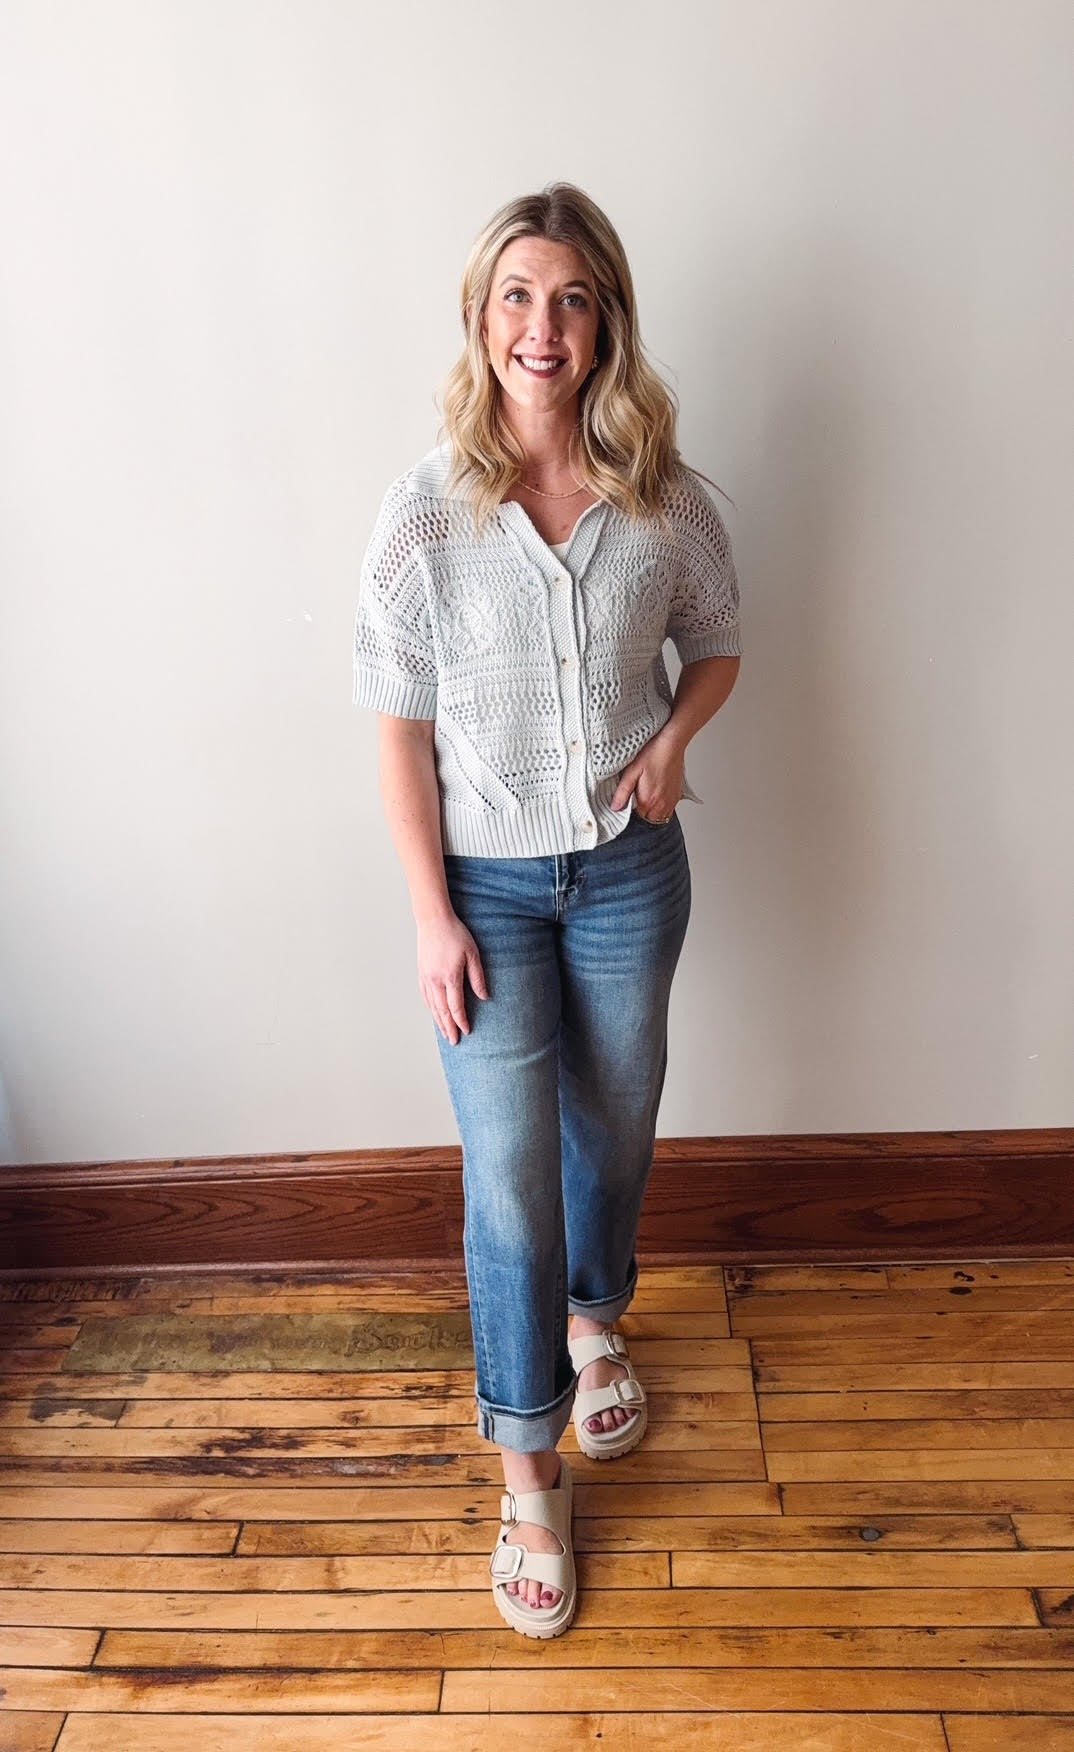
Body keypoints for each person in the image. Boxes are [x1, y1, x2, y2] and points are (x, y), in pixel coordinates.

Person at [352, 182, 741, 1638]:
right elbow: (391, 725)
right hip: (485, 896)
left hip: (631, 875)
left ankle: (594, 1325)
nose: (543, 325)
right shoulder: (423, 513)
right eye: (517, 296)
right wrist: (428, 913)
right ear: (481, 319)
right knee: (506, 1168)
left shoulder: (664, 496)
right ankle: (527, 1472)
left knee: (616, 1121)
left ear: (605, 323)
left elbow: (717, 644)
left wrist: (668, 747)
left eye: (570, 297)